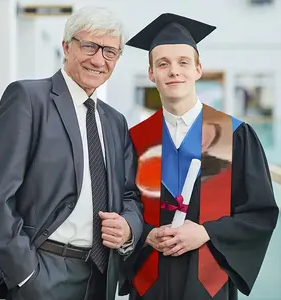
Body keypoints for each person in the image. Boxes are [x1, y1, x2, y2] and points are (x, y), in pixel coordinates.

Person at [0, 6, 143, 300]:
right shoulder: (29, 100)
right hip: (40, 271)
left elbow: (129, 194)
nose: (98, 59)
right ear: (67, 46)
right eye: (89, 46)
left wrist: (129, 227)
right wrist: (25, 273)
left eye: (110, 52)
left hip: (98, 275)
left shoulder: (115, 122)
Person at [118, 13, 279, 300]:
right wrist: (145, 234)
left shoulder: (234, 135)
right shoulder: (134, 139)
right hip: (150, 281)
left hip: (208, 282)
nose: (174, 71)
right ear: (152, 74)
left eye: (183, 62)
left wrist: (207, 233)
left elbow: (259, 212)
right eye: (163, 64)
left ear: (198, 69)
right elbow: (123, 205)